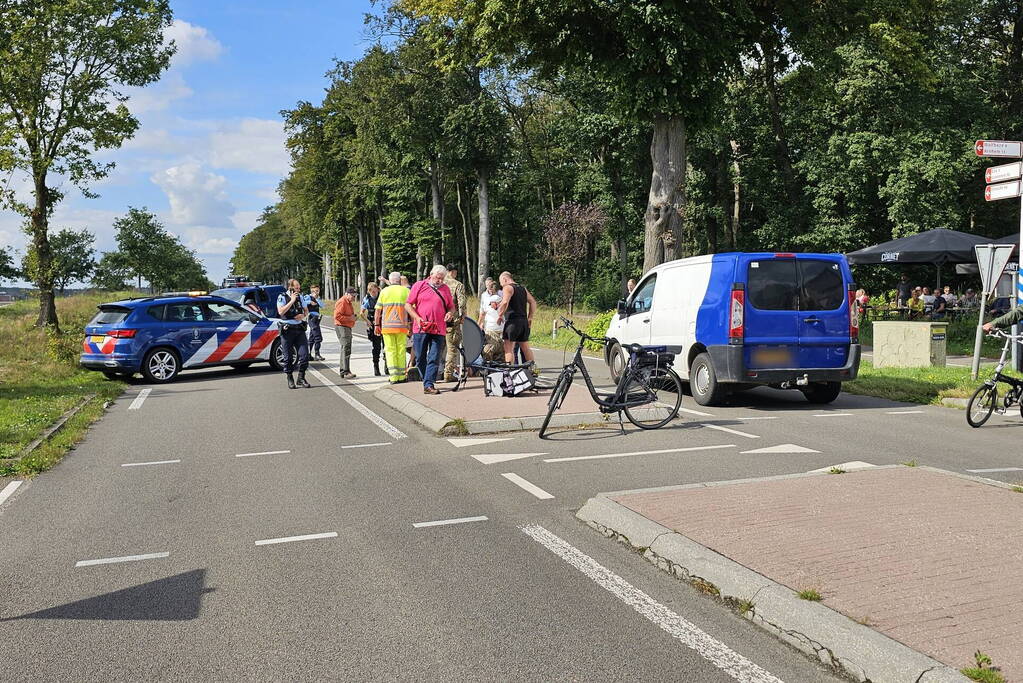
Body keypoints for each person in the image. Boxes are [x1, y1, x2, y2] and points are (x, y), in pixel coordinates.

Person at [405, 265, 454, 395]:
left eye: (442, 278)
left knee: (434, 357)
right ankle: (427, 378)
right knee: (420, 357)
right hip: (421, 328)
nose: (439, 280)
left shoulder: (445, 289)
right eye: (437, 277)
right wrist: (416, 318)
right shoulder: (419, 285)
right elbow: (408, 304)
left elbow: (451, 307)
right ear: (431, 274)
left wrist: (450, 313)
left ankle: (428, 384)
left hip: (439, 329)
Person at [375, 272, 411, 384]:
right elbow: (412, 309)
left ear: (390, 281)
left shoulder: (384, 291)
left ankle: (393, 377)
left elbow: (378, 310)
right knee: (401, 350)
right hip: (402, 326)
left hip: (387, 327)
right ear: (399, 280)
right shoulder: (406, 291)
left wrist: (376, 325)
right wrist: (413, 325)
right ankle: (402, 376)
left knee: (390, 350)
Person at [496, 271, 538, 365]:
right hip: (523, 322)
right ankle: (532, 369)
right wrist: (530, 317)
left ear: (505, 279)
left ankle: (509, 371)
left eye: (501, 282)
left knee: (508, 348)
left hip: (512, 322)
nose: (501, 285)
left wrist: (500, 315)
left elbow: (505, 302)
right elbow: (533, 302)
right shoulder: (522, 288)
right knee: (525, 347)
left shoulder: (507, 287)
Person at [276, 279, 310, 389]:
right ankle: (290, 377)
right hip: (287, 330)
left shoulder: (300, 297)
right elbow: (281, 312)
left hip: (299, 329)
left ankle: (301, 377)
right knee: (288, 357)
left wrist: (303, 315)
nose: (298, 290)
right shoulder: (282, 297)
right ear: (290, 288)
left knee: (305, 355)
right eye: (296, 288)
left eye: (299, 288)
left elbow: (306, 311)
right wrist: (291, 300)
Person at [442, 264, 468, 383]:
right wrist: (463, 316)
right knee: (451, 349)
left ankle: (436, 372)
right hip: (452, 320)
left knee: (437, 348)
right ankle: (448, 374)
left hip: (437, 320)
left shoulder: (438, 283)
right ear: (453, 272)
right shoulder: (458, 285)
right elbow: (461, 303)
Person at [333, 287, 358, 379]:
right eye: (352, 295)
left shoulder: (348, 302)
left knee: (346, 348)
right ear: (346, 294)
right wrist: (350, 318)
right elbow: (337, 317)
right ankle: (345, 371)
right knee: (346, 348)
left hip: (346, 327)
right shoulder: (342, 302)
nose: (354, 297)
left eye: (355, 295)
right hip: (342, 327)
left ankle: (344, 370)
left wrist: (352, 317)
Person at [477, 277, 504, 361]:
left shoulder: (490, 299)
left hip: (491, 327)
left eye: (489, 285)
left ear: (492, 289)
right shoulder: (502, 298)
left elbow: (482, 312)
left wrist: (478, 324)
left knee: (490, 348)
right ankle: (500, 363)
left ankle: (489, 363)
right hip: (501, 326)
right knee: (501, 348)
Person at [360, 283, 384, 376]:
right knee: (376, 346)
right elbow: (361, 313)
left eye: (374, 291)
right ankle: (376, 366)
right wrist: (367, 321)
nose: (373, 293)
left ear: (377, 289)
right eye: (370, 291)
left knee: (386, 346)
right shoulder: (367, 299)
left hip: (383, 323)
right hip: (373, 325)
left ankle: (387, 367)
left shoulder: (382, 297)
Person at [303, 284, 325, 361]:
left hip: (317, 318)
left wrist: (317, 299)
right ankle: (317, 354)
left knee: (312, 337)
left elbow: (323, 306)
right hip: (311, 318)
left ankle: (308, 354)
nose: (316, 292)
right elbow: (304, 303)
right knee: (318, 336)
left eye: (317, 291)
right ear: (311, 291)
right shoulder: (308, 297)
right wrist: (310, 301)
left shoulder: (317, 298)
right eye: (315, 291)